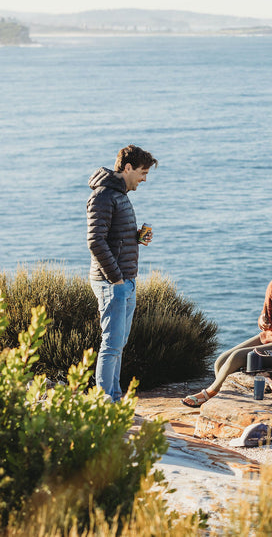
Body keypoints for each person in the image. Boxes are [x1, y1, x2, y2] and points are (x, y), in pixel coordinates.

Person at [182, 245, 272, 407]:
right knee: (220, 362)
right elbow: (266, 319)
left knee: (238, 357)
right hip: (270, 337)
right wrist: (263, 320)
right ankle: (226, 396)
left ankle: (208, 394)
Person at [87, 144, 158, 402]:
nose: (144, 178)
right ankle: (106, 404)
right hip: (112, 283)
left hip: (124, 281)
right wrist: (116, 279)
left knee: (118, 346)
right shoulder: (103, 196)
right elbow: (95, 241)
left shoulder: (119, 195)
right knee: (111, 346)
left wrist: (137, 237)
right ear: (127, 168)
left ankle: (114, 399)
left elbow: (111, 237)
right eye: (142, 172)